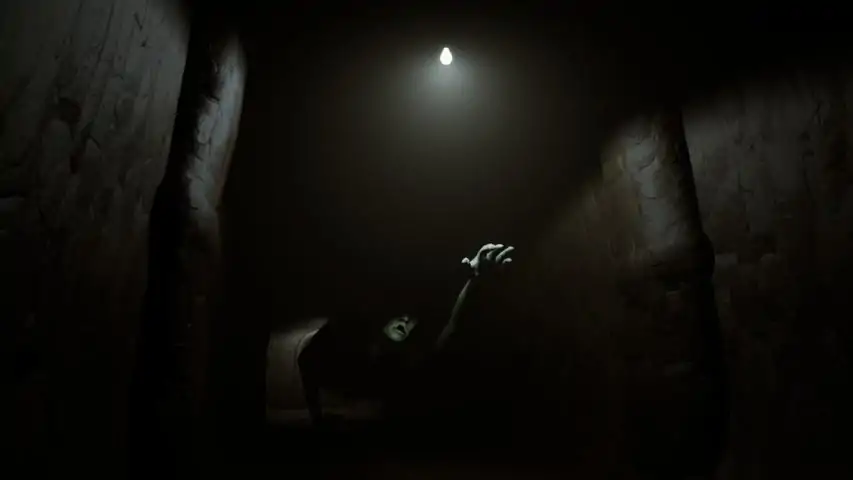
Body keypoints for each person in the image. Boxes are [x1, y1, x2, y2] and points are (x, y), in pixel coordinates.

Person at [295, 242, 515, 426]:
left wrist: (470, 275)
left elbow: (432, 318)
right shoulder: (352, 350)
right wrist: (472, 280)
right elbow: (445, 334)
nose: (405, 321)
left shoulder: (385, 352)